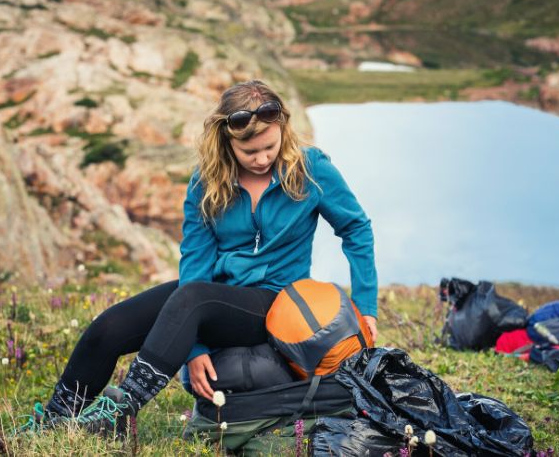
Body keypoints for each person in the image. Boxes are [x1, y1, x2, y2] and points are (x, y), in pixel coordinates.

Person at [21, 80, 378, 438]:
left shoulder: (311, 169)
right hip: (210, 296)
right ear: (227, 141)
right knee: (109, 327)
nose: (263, 158)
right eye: (249, 151)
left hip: (274, 301)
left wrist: (365, 307)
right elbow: (195, 263)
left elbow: (356, 229)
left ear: (283, 127)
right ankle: (53, 420)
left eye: (270, 146)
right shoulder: (205, 183)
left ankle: (119, 412)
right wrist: (194, 348)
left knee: (193, 299)